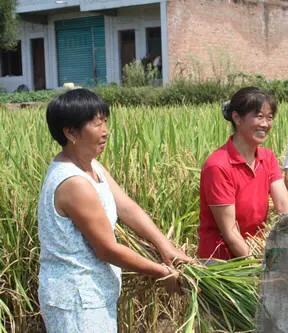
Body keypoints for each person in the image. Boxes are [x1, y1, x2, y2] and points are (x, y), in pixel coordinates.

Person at [37, 89, 191, 332]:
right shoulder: (74, 183)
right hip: (77, 302)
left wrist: (165, 246)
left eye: (105, 121)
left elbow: (126, 207)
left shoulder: (91, 166)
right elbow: (106, 249)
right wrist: (161, 272)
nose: (105, 131)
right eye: (96, 124)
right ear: (70, 132)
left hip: (93, 296)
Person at [198, 87, 288, 260]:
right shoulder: (218, 166)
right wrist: (257, 268)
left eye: (269, 117)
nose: (265, 124)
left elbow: (284, 206)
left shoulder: (267, 158)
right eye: (259, 116)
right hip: (222, 262)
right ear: (237, 118)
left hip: (254, 249)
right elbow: (230, 232)